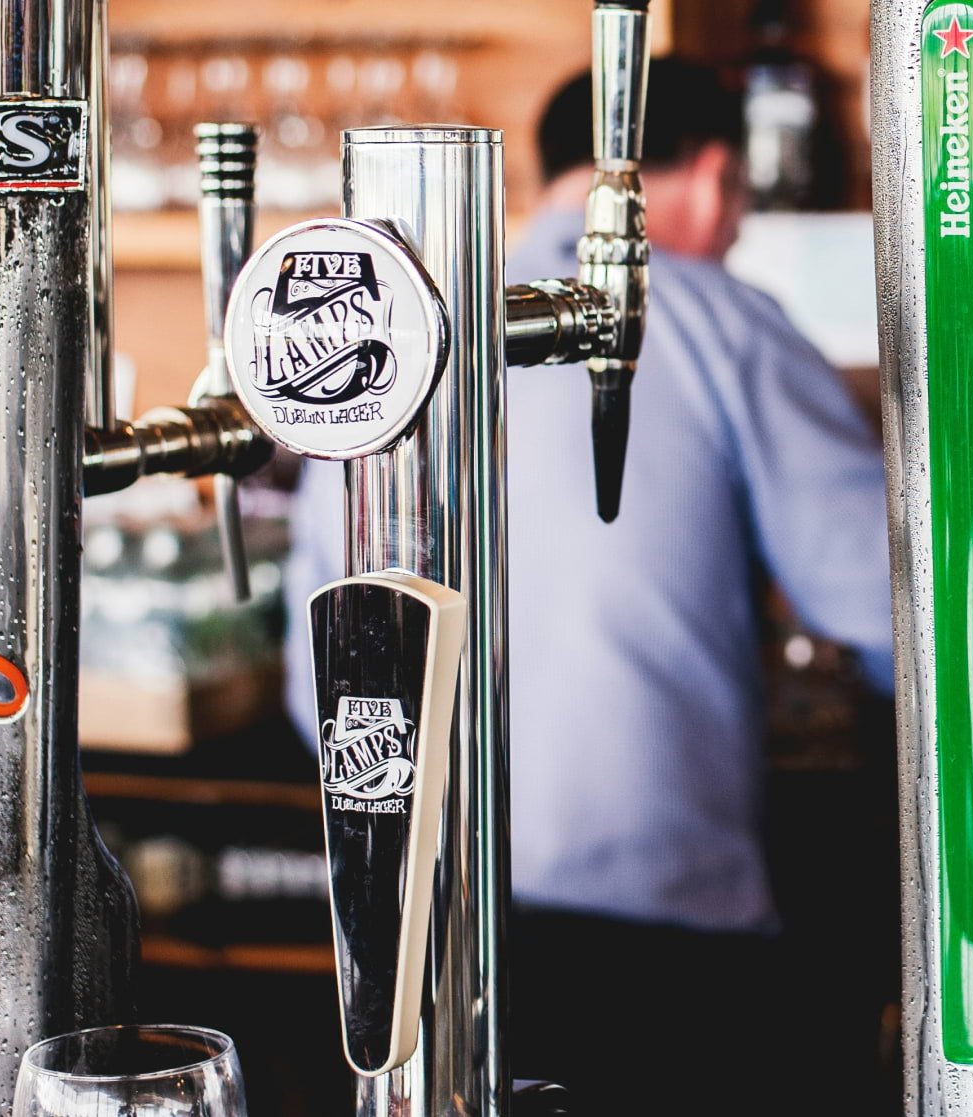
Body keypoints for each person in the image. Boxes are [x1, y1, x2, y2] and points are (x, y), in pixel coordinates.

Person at [279, 58, 893, 1109]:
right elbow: (888, 601)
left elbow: (317, 674)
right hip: (659, 916)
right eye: (736, 201)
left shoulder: (387, 328)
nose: (733, 227)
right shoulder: (720, 315)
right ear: (706, 180)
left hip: (423, 915)